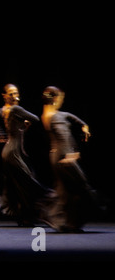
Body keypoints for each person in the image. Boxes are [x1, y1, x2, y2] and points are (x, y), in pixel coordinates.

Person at [0, 84, 48, 226]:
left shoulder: (6, 110)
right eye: (11, 94)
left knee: (19, 185)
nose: (14, 96)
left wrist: (17, 127)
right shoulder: (14, 109)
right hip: (12, 152)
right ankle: (28, 216)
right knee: (27, 183)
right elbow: (36, 119)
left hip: (14, 150)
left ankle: (24, 216)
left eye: (16, 93)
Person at [41, 86, 95, 232]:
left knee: (64, 190)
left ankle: (66, 222)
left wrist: (83, 126)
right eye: (61, 98)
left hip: (54, 154)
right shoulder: (57, 116)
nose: (62, 101)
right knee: (80, 187)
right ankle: (63, 219)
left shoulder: (47, 113)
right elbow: (63, 136)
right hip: (63, 155)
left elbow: (71, 118)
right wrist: (70, 154)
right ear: (55, 98)